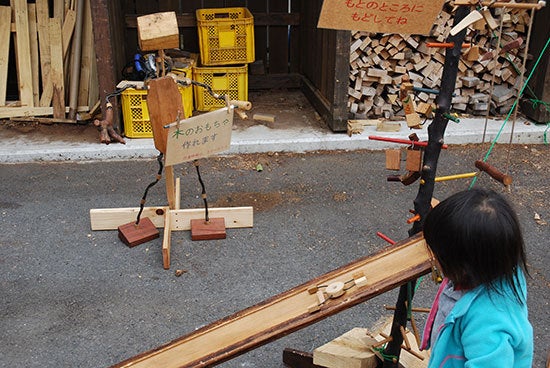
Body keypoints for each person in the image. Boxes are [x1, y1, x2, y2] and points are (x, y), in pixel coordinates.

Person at [420, 188, 533, 367]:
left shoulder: (488, 323)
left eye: (437, 255)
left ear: (464, 265)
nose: (433, 258)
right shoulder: (492, 268)